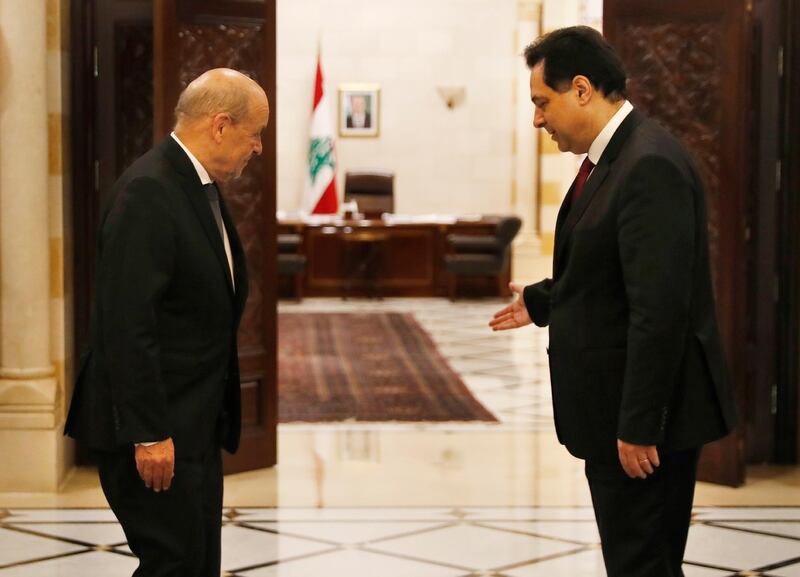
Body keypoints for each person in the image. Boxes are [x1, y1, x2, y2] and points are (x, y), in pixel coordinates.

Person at [489, 26, 737, 577]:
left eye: (541, 102)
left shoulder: (647, 165)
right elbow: (614, 273)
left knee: (641, 564)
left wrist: (638, 425)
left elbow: (660, 310)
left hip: (644, 424)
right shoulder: (615, 159)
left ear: (581, 89)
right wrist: (543, 299)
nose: (536, 120)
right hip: (617, 411)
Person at [65, 68, 269, 577]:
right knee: (173, 564)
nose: (259, 147)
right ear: (220, 126)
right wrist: (149, 433)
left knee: (197, 562)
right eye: (255, 133)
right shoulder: (150, 190)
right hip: (156, 429)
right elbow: (127, 324)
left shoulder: (195, 184)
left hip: (193, 422)